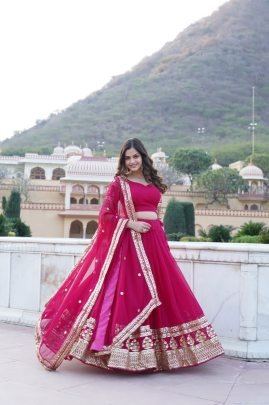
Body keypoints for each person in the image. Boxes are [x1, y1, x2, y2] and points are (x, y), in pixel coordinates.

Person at [35, 138, 224, 372]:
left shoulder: (153, 182)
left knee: (162, 291)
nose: (132, 161)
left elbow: (155, 212)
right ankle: (122, 351)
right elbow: (104, 216)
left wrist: (158, 235)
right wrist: (130, 225)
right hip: (132, 243)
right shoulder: (119, 184)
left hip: (155, 241)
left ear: (144, 157)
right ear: (123, 160)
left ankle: (157, 354)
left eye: (136, 156)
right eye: (128, 158)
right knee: (134, 293)